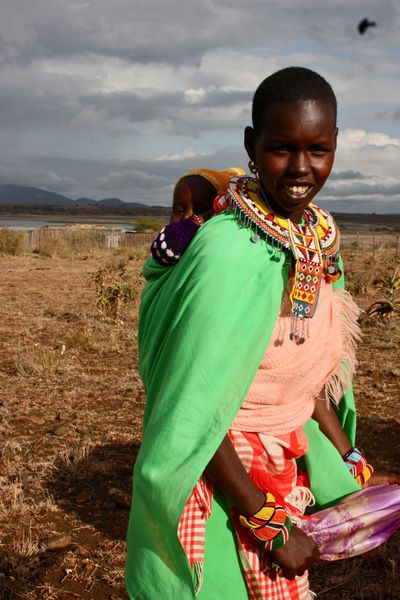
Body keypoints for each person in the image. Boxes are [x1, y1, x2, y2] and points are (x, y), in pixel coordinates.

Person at [126, 67, 400, 600]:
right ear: (251, 145)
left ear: (336, 145)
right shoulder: (223, 251)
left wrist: (350, 461)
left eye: (318, 149)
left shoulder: (316, 239)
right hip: (225, 476)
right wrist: (268, 522)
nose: (301, 168)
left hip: (282, 462)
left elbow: (307, 373)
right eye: (281, 148)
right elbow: (195, 409)